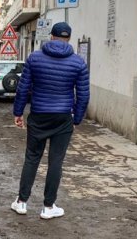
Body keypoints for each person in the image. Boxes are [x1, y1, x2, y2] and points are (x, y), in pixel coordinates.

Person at [10, 22, 90, 220]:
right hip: (63, 117)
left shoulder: (34, 58)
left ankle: (21, 202)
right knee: (56, 161)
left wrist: (18, 112)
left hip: (38, 114)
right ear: (68, 38)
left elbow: (23, 88)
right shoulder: (78, 62)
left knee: (32, 157)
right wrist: (77, 119)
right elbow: (83, 95)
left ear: (51, 37)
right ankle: (48, 206)